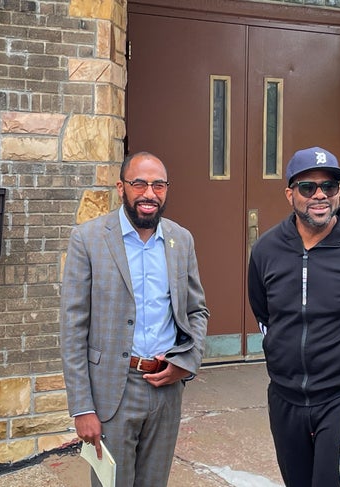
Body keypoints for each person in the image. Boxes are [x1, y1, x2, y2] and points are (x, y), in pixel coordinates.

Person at [60, 151, 209, 486]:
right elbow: (73, 328)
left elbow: (197, 311)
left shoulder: (180, 240)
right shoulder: (88, 239)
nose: (149, 193)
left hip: (166, 388)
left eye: (158, 185)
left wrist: (187, 361)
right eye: (139, 183)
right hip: (112, 391)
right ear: (121, 187)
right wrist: (82, 407)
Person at [247, 147, 340, 487]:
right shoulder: (267, 249)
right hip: (285, 397)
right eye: (308, 187)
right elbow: (263, 310)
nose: (320, 195)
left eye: (330, 186)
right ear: (290, 193)